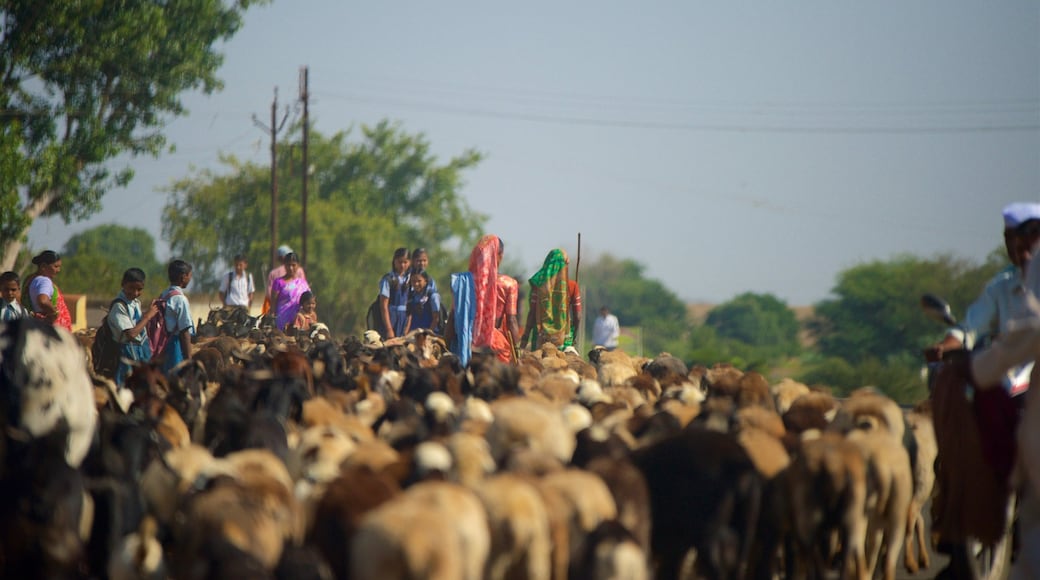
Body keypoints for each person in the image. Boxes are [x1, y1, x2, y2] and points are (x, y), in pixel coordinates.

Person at [968, 216, 1040, 580]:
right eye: (1017, 238)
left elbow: (989, 364)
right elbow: (971, 329)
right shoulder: (1002, 287)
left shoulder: (1031, 322)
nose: (1024, 247)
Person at [931, 201, 1040, 356]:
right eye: (1009, 239)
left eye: (1029, 245)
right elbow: (972, 327)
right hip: (1012, 372)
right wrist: (946, 347)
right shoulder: (1002, 287)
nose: (1017, 250)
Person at [448, 234, 511, 365]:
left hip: (462, 346)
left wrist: (447, 348)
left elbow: (452, 318)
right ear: (497, 256)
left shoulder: (461, 281)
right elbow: (512, 320)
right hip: (492, 346)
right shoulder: (505, 283)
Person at [109, 268, 160, 386]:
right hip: (126, 353)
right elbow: (131, 334)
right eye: (131, 288)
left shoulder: (136, 303)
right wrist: (147, 317)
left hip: (141, 351)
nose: (135, 293)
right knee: (126, 387)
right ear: (123, 284)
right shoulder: (119, 306)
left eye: (139, 289)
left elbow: (139, 326)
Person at [523, 248, 575, 350]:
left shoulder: (538, 285)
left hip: (540, 340)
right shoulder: (572, 286)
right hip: (564, 341)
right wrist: (574, 335)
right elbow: (578, 316)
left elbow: (532, 313)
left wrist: (525, 339)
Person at [160, 260, 195, 373]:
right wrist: (189, 360)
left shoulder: (164, 294)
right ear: (183, 277)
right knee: (175, 378)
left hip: (163, 342)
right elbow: (184, 331)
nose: (190, 278)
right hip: (175, 345)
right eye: (189, 275)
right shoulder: (180, 299)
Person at [25, 250, 73, 331]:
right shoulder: (44, 281)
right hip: (52, 331)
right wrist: (54, 314)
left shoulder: (31, 279)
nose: (58, 270)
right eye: (56, 266)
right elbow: (43, 300)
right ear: (43, 266)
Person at [270, 252, 311, 332]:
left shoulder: (303, 283)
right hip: (282, 321)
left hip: (299, 322)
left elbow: (309, 301)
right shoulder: (278, 282)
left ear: (298, 265)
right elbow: (273, 304)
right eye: (288, 265)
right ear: (284, 265)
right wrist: (272, 320)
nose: (291, 268)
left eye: (293, 265)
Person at [378, 247, 411, 340]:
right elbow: (383, 306)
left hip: (404, 318)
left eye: (405, 262)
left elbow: (410, 306)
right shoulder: (388, 279)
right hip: (391, 317)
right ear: (394, 262)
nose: (402, 265)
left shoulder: (410, 280)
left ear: (409, 262)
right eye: (400, 262)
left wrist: (407, 327)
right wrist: (389, 329)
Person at [265, 245, 307, 313]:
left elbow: (269, 295)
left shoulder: (273, 273)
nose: (291, 268)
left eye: (293, 265)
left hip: (297, 315)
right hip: (285, 315)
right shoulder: (300, 270)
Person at [496, 271, 522, 363]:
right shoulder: (508, 283)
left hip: (472, 341)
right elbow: (511, 320)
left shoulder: (468, 280)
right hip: (495, 340)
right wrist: (517, 349)